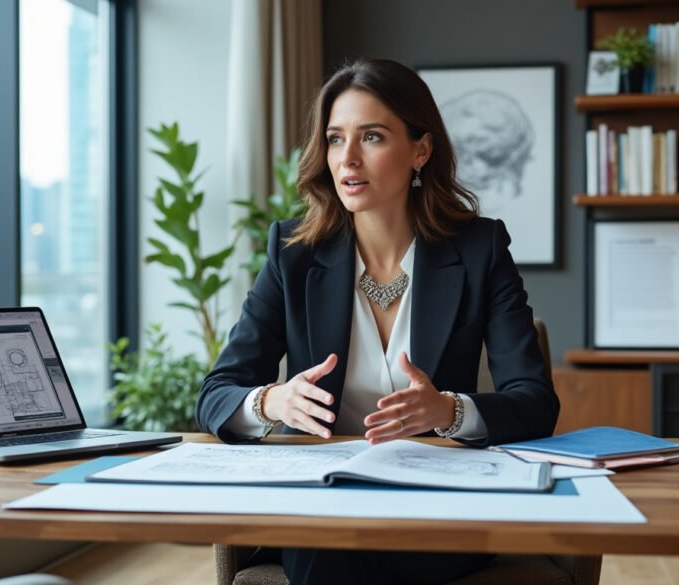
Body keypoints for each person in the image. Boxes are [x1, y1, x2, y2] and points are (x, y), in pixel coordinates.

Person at [196, 58, 559, 585]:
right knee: (333, 541)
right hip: (321, 505)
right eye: (335, 138)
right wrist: (272, 400)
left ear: (421, 150)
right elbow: (216, 393)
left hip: (437, 505)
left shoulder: (480, 249)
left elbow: (535, 401)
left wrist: (450, 410)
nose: (348, 159)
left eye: (371, 137)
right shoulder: (292, 254)